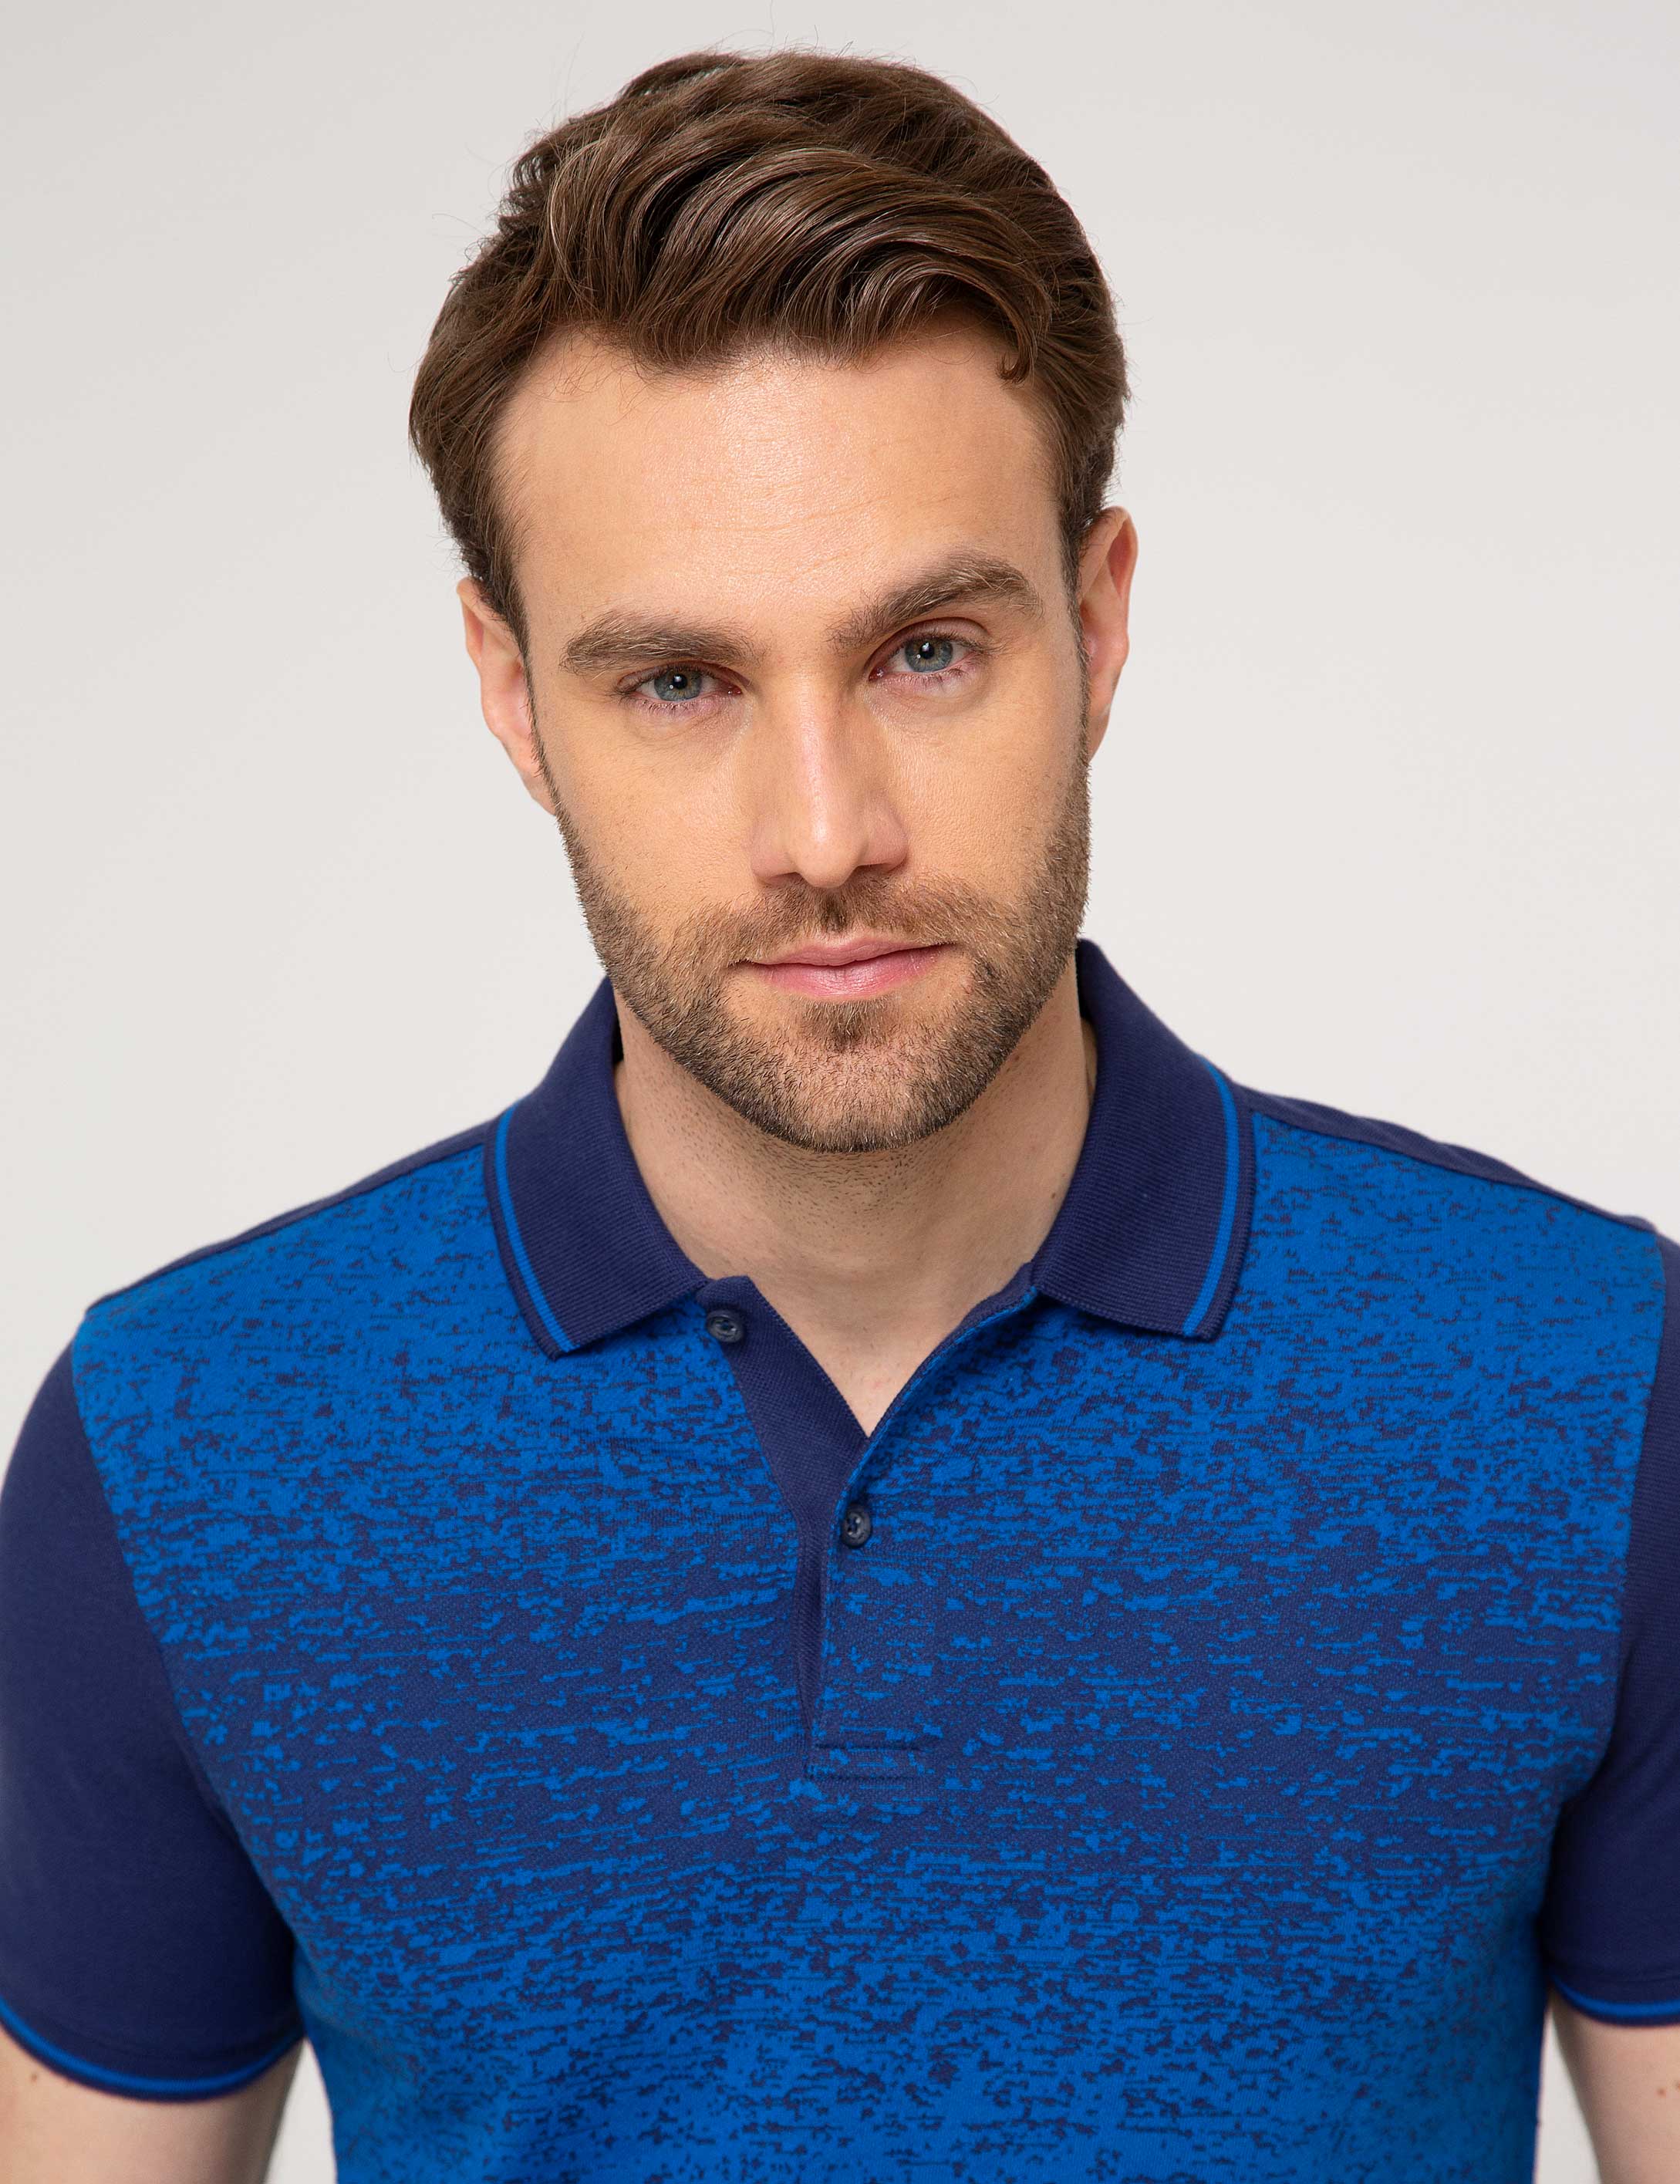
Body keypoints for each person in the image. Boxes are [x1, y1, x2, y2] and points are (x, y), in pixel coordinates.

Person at [0, 45, 1674, 2184]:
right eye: (677, 683)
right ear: (511, 694)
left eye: (926, 652)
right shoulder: (183, 1447)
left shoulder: (1584, 1389)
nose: (825, 832)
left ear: (1096, 622)